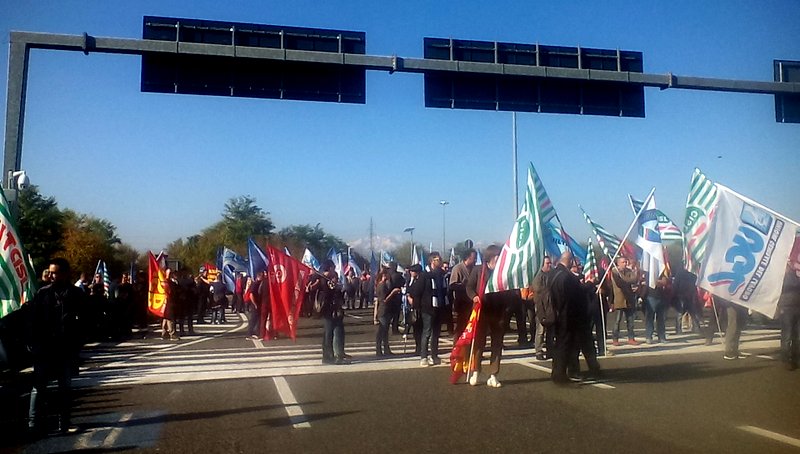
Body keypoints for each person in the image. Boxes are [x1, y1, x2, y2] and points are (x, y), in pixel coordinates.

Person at [27, 257, 85, 435]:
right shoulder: (42, 294)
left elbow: (86, 320)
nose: (51, 276)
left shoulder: (76, 295)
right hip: (44, 349)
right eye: (50, 272)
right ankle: (33, 425)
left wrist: (78, 339)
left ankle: (64, 424)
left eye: (55, 272)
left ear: (65, 274)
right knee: (39, 387)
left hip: (66, 349)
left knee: (65, 388)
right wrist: (32, 343)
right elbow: (32, 320)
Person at [550, 252, 602, 384]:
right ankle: (560, 375)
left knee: (562, 345)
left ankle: (559, 372)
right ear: (569, 261)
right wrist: (590, 284)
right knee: (567, 346)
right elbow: (577, 293)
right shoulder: (566, 277)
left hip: (560, 315)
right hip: (570, 316)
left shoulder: (554, 274)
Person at [465, 244, 504, 388]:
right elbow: (469, 287)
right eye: (498, 256)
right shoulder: (478, 270)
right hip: (482, 311)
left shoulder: (502, 272)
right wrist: (474, 296)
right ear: (490, 257)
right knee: (479, 343)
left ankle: (493, 374)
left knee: (497, 344)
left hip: (498, 312)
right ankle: (476, 371)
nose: (500, 259)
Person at [408, 252, 447, 367]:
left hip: (439, 306)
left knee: (436, 333)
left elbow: (445, 291)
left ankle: (434, 356)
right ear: (432, 261)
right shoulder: (425, 275)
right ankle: (423, 356)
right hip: (427, 308)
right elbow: (416, 291)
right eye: (438, 259)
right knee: (427, 332)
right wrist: (416, 305)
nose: (440, 261)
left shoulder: (441, 274)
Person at [308, 260, 349, 364]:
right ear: (330, 268)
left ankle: (335, 355)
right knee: (328, 334)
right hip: (328, 309)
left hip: (332, 309)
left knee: (333, 332)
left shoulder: (325, 279)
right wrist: (334, 287)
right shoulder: (322, 279)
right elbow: (326, 294)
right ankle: (328, 357)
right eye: (333, 268)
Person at [610, 257, 640, 346]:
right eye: (623, 262)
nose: (625, 263)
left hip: (629, 299)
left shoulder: (628, 271)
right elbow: (620, 283)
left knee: (630, 321)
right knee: (617, 321)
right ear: (618, 263)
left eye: (626, 262)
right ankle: (615, 339)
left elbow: (634, 279)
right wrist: (626, 280)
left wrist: (625, 278)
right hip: (619, 299)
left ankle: (631, 338)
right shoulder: (614, 271)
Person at [449, 249, 477, 340]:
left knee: (471, 326)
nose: (475, 260)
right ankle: (457, 346)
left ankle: (468, 347)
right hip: (461, 303)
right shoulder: (457, 268)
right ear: (468, 258)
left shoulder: (474, 269)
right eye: (474, 258)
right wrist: (464, 286)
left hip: (472, 302)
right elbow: (452, 285)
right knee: (461, 326)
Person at [778, 261, 800, 370]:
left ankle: (795, 359)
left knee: (795, 336)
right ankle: (786, 359)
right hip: (787, 307)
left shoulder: (794, 276)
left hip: (795, 306)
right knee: (788, 335)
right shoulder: (782, 279)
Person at [531, 256, 554, 360]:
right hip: (541, 306)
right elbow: (538, 294)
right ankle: (538, 351)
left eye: (550, 263)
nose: (549, 265)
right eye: (547, 263)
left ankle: (550, 349)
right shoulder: (538, 277)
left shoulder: (551, 275)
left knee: (551, 330)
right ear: (542, 265)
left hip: (551, 306)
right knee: (540, 330)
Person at [373, 271, 396, 356]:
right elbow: (384, 300)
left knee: (384, 331)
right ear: (384, 275)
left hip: (383, 310)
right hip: (383, 310)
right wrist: (393, 292)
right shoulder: (382, 285)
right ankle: (380, 350)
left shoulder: (380, 285)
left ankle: (385, 349)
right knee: (382, 331)